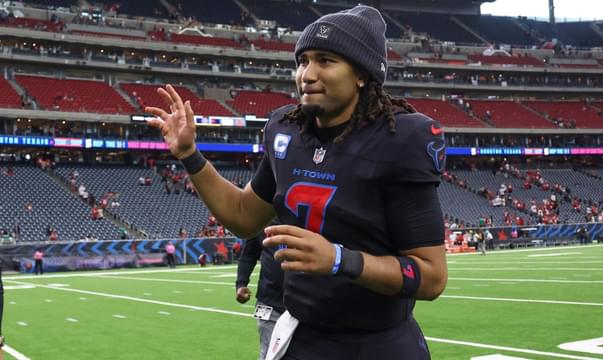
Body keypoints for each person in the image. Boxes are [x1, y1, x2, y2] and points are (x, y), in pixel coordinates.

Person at [146, 5, 447, 359]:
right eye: (302, 61)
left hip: (376, 344)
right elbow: (243, 216)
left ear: (362, 74)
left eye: (325, 60)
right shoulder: (285, 131)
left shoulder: (400, 138)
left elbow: (431, 277)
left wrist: (338, 259)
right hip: (301, 336)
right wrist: (189, 155)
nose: (307, 74)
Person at [235, 230, 285, 360]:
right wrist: (241, 283)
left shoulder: (307, 215)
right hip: (268, 300)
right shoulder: (262, 220)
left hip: (305, 299)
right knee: (269, 354)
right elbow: (248, 254)